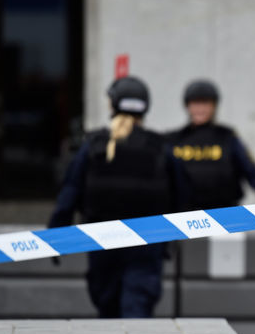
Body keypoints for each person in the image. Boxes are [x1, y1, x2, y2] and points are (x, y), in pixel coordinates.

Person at [48, 76, 186, 318]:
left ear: (112, 105)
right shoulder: (160, 148)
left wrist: (56, 237)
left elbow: (69, 193)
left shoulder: (93, 146)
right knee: (137, 316)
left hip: (103, 244)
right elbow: (181, 196)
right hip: (146, 246)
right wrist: (168, 242)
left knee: (108, 317)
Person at [166, 79, 255, 211]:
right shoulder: (174, 140)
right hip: (185, 219)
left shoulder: (228, 138)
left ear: (214, 106)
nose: (200, 109)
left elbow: (251, 169)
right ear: (187, 106)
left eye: (205, 103)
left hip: (226, 216)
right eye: (195, 103)